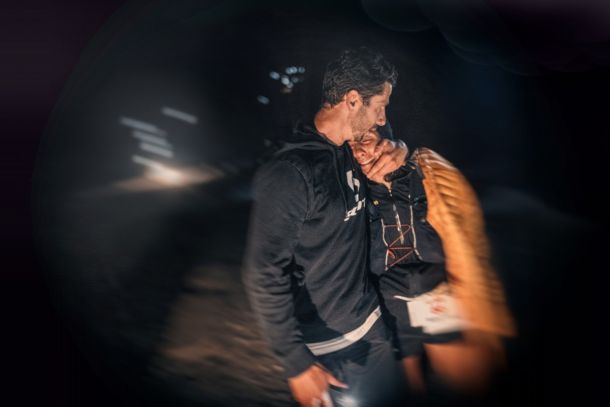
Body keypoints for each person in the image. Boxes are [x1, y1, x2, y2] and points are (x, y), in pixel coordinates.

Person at [243, 47, 408, 407]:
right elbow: (263, 273)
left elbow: (392, 145)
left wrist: (401, 148)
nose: (382, 118)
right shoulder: (290, 173)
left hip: (374, 326)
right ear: (352, 100)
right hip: (332, 351)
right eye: (380, 106)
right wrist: (296, 363)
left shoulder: (356, 148)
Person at [350, 129, 516, 396]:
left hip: (435, 289)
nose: (358, 152)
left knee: (466, 376)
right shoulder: (355, 191)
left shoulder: (421, 173)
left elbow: (465, 231)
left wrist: (403, 150)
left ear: (384, 140)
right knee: (410, 375)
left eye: (364, 140)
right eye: (351, 146)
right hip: (389, 298)